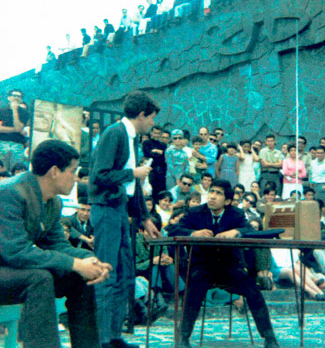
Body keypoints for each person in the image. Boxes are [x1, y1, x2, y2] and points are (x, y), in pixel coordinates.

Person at [0, 139, 112, 348]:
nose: (76, 178)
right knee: (39, 278)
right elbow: (16, 253)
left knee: (80, 277)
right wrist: (74, 263)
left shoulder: (52, 201)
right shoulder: (8, 194)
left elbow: (57, 245)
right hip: (7, 269)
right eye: (72, 170)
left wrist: (88, 261)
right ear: (54, 171)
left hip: (12, 273)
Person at [89, 90, 161, 348]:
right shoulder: (114, 133)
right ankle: (102, 339)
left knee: (124, 275)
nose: (153, 123)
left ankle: (114, 336)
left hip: (120, 210)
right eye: (151, 117)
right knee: (107, 273)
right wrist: (134, 172)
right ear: (141, 115)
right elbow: (99, 175)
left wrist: (145, 218)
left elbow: (133, 187)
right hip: (107, 210)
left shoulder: (132, 140)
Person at [171, 179, 280, 348]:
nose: (212, 196)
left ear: (227, 201)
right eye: (212, 191)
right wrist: (194, 233)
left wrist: (236, 232)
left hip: (229, 268)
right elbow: (174, 229)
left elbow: (249, 230)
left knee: (253, 290)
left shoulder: (235, 214)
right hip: (202, 267)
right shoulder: (195, 212)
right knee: (193, 289)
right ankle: (183, 338)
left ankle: (269, 337)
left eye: (218, 194)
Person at [0, 89, 28, 171]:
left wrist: (15, 110)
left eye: (18, 96)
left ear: (21, 99)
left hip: (17, 145)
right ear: (9, 97)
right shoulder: (1, 111)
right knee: (1, 170)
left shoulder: (25, 113)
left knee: (15, 170)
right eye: (14, 95)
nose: (16, 97)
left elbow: (19, 127)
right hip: (2, 143)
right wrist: (15, 129)